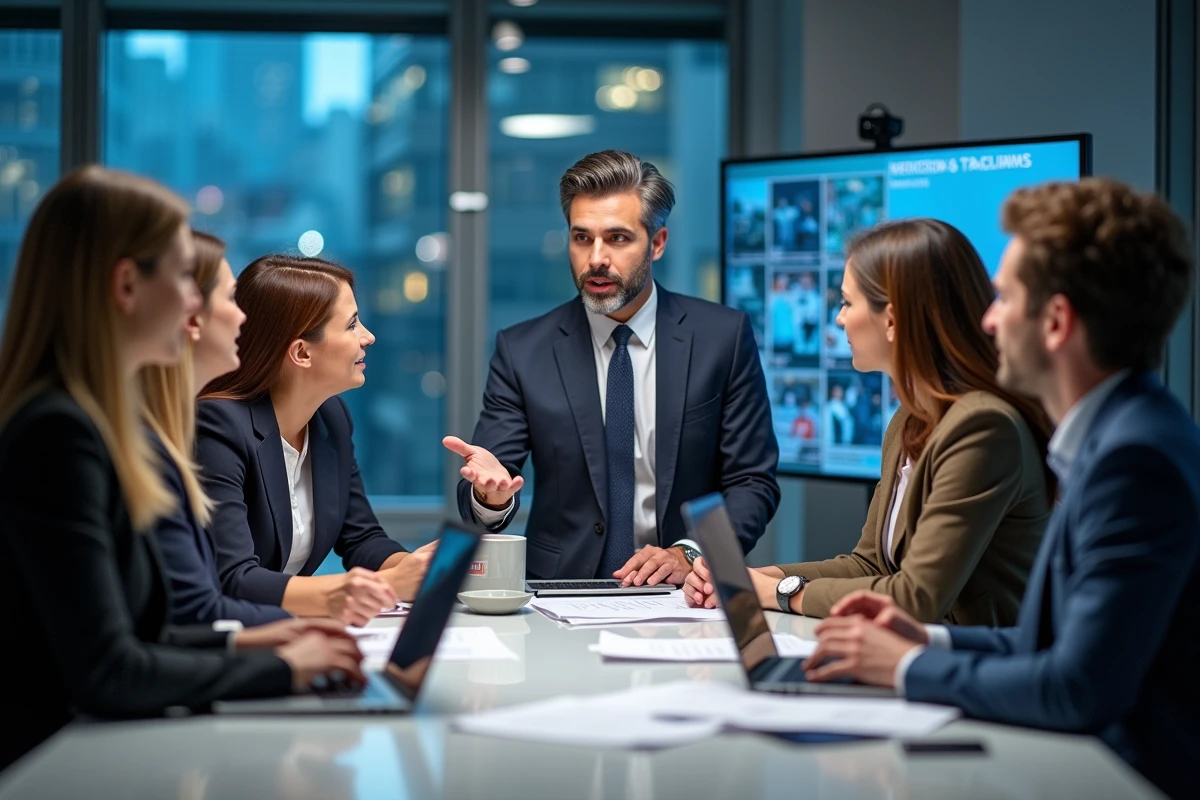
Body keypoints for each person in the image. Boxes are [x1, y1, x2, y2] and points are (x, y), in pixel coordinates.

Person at [803, 179, 1199, 800]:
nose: (986, 320)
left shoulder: (1133, 462)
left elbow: (1076, 689)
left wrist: (905, 667)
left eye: (1004, 298)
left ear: (1057, 322)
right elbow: (1049, 643)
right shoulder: (1121, 437)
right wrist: (925, 638)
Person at [0, 167, 363, 770]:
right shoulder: (59, 435)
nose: (196, 305)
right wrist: (275, 664)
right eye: (182, 278)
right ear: (126, 286)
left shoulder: (94, 426)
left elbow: (146, 631)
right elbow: (108, 669)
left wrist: (256, 639)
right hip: (55, 767)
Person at [686, 219, 1054, 628]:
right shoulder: (909, 419)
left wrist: (774, 592)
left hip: (978, 674)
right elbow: (870, 563)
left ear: (893, 320)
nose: (840, 319)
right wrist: (758, 578)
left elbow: (915, 597)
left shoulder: (982, 426)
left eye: (847, 303)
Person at [444, 150, 780, 584]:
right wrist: (489, 498)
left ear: (657, 243)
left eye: (617, 238)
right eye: (582, 238)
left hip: (684, 593)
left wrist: (691, 553)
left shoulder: (722, 337)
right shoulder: (523, 349)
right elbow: (492, 477)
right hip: (560, 591)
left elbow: (753, 482)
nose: (596, 258)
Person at [196, 255, 432, 620]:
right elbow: (232, 578)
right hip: (229, 642)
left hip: (286, 633)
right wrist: (387, 586)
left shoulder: (331, 419)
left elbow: (361, 538)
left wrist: (413, 568)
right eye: (352, 325)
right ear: (302, 352)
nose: (368, 337)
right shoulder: (217, 425)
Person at [140, 231, 297, 626]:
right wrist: (299, 637)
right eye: (230, 298)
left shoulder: (161, 432)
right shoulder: (160, 436)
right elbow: (193, 610)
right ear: (191, 316)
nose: (243, 316)